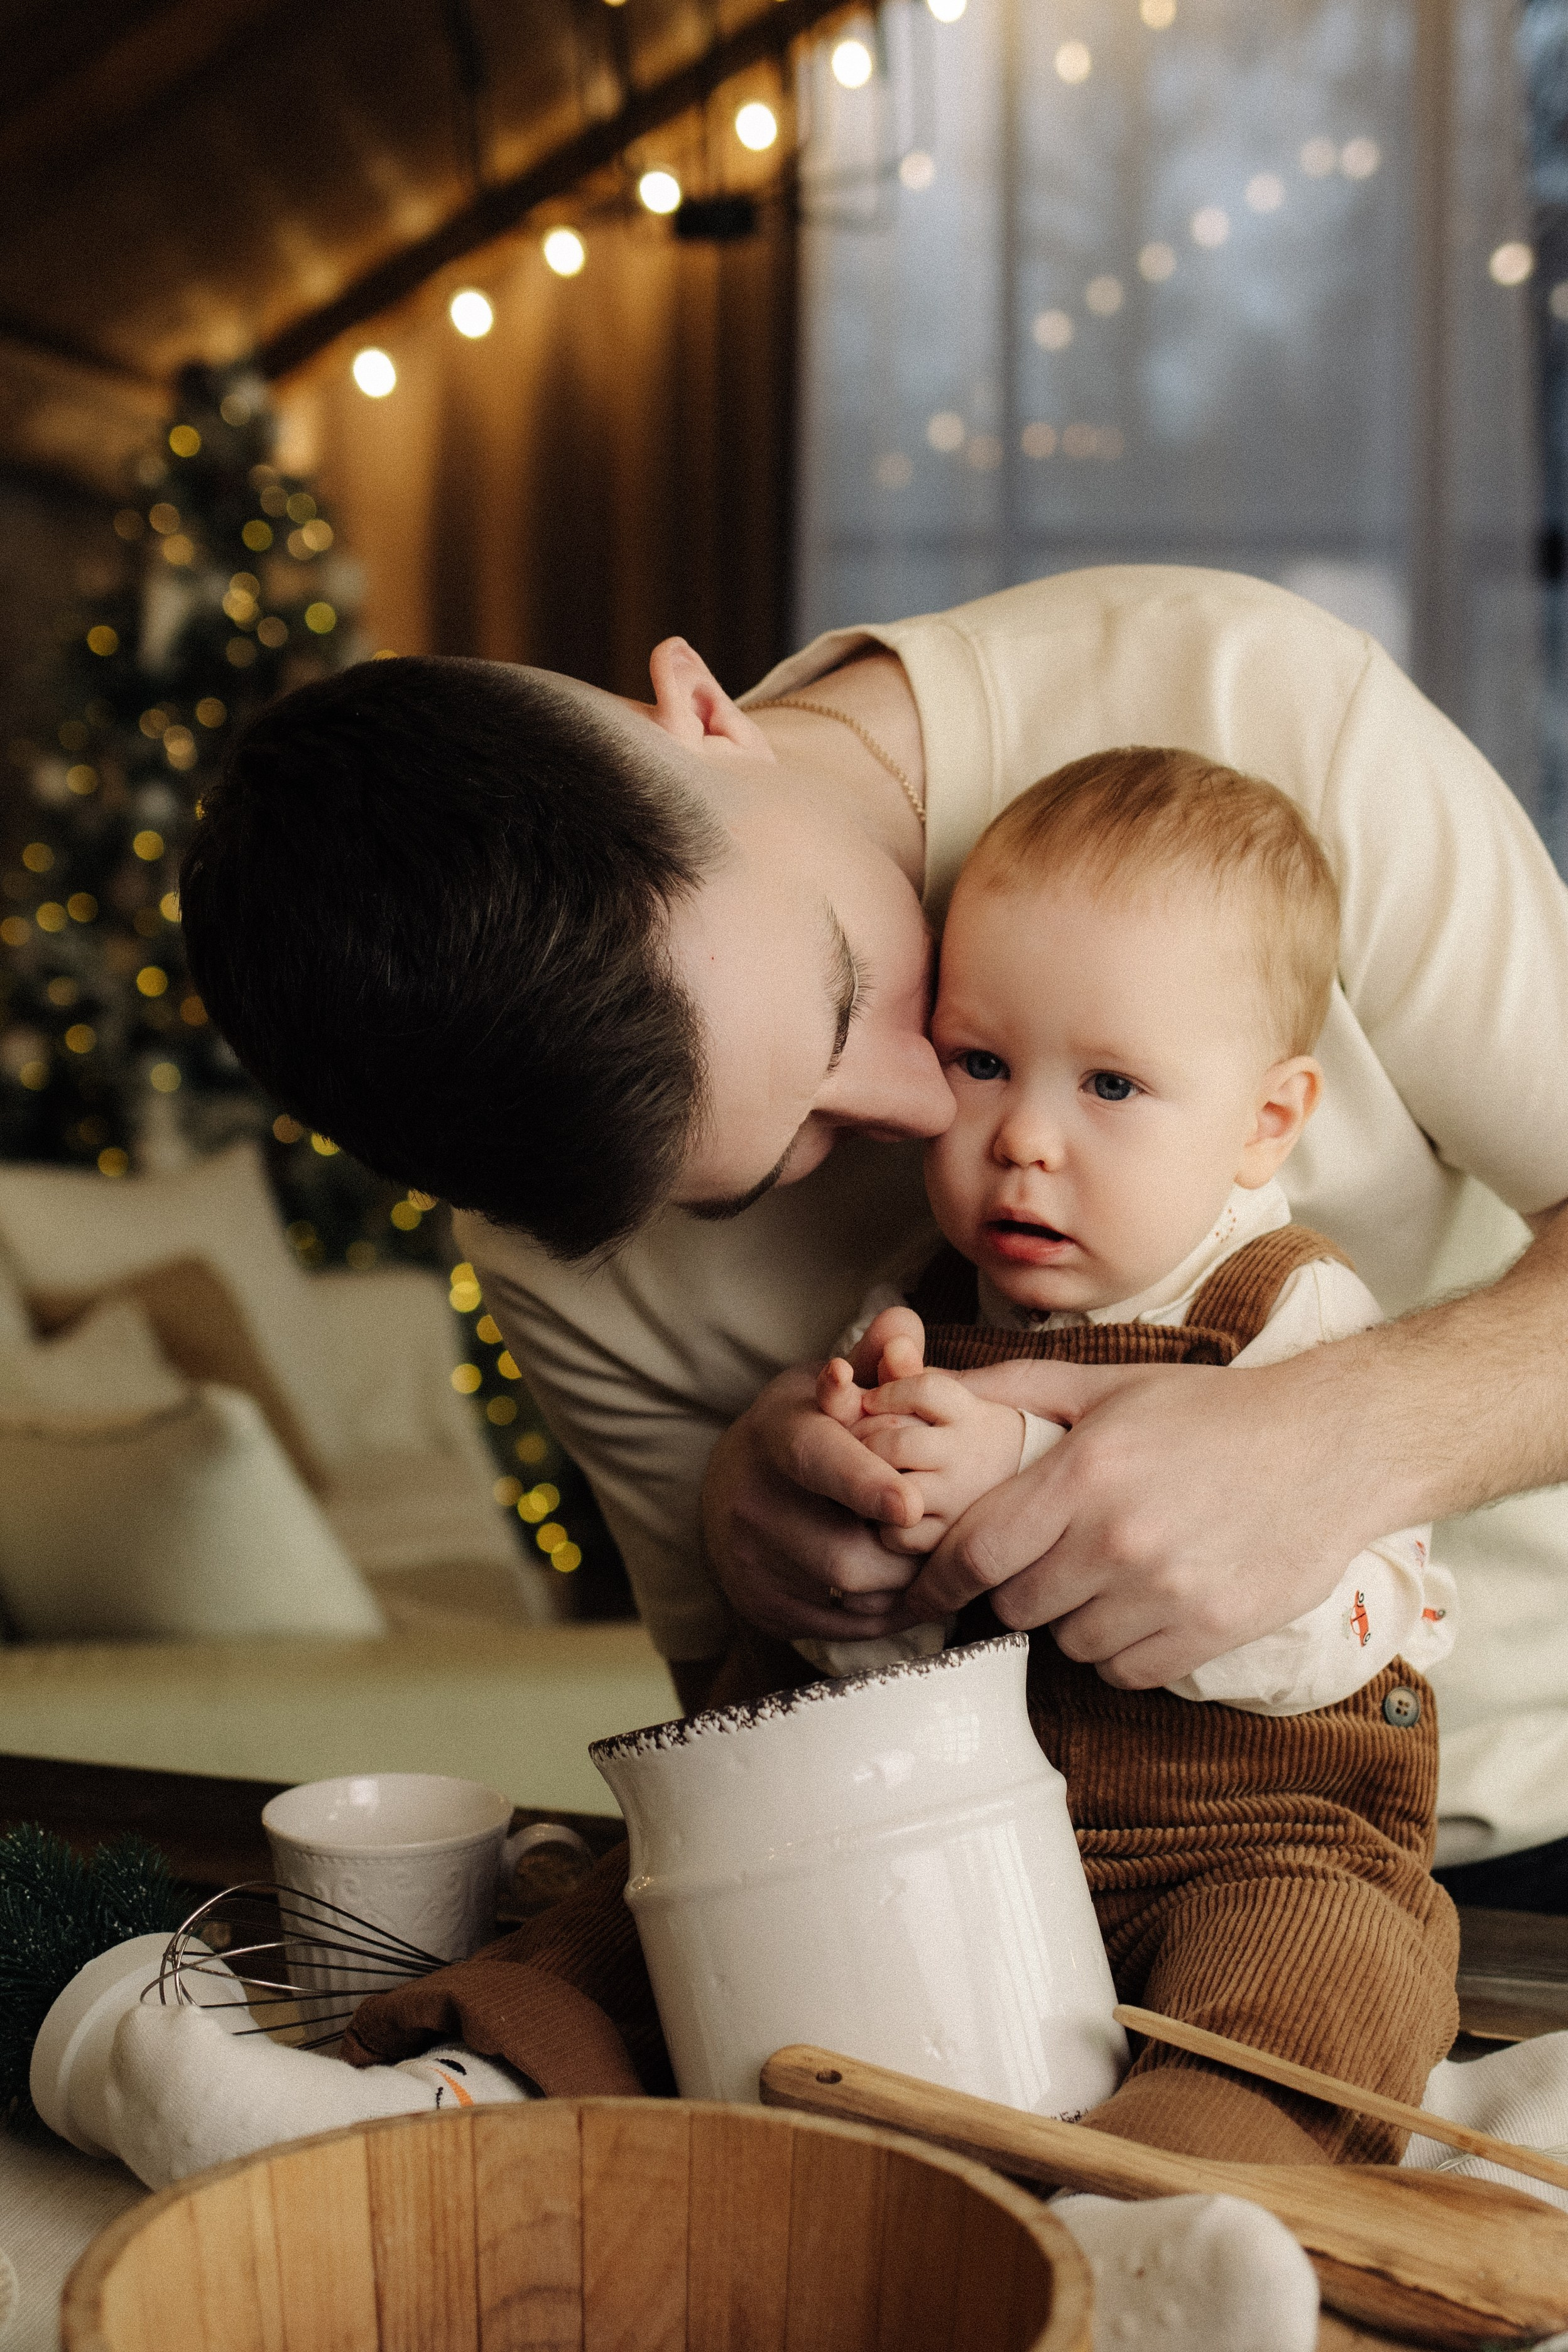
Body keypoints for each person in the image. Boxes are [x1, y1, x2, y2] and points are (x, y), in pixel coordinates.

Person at [178, 565, 1568, 1893]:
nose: (929, 1112)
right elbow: (759, 1764)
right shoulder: (559, 1245)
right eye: (784, 1160)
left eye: (845, 997)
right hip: (1009, 1889)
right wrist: (745, 1544)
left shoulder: (1245, 701)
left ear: (709, 720)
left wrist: (1337, 1444)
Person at [798, 745, 1455, 1721]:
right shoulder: (912, 1308)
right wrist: (878, 1516)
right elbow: (856, 1672)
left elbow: (1355, 1633)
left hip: (1265, 1825)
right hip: (996, 1824)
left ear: (1265, 1123)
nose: (1023, 1137)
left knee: (1300, 1890)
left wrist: (1023, 1477)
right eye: (980, 1061)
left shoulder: (1300, 1320)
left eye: (1111, 1084)